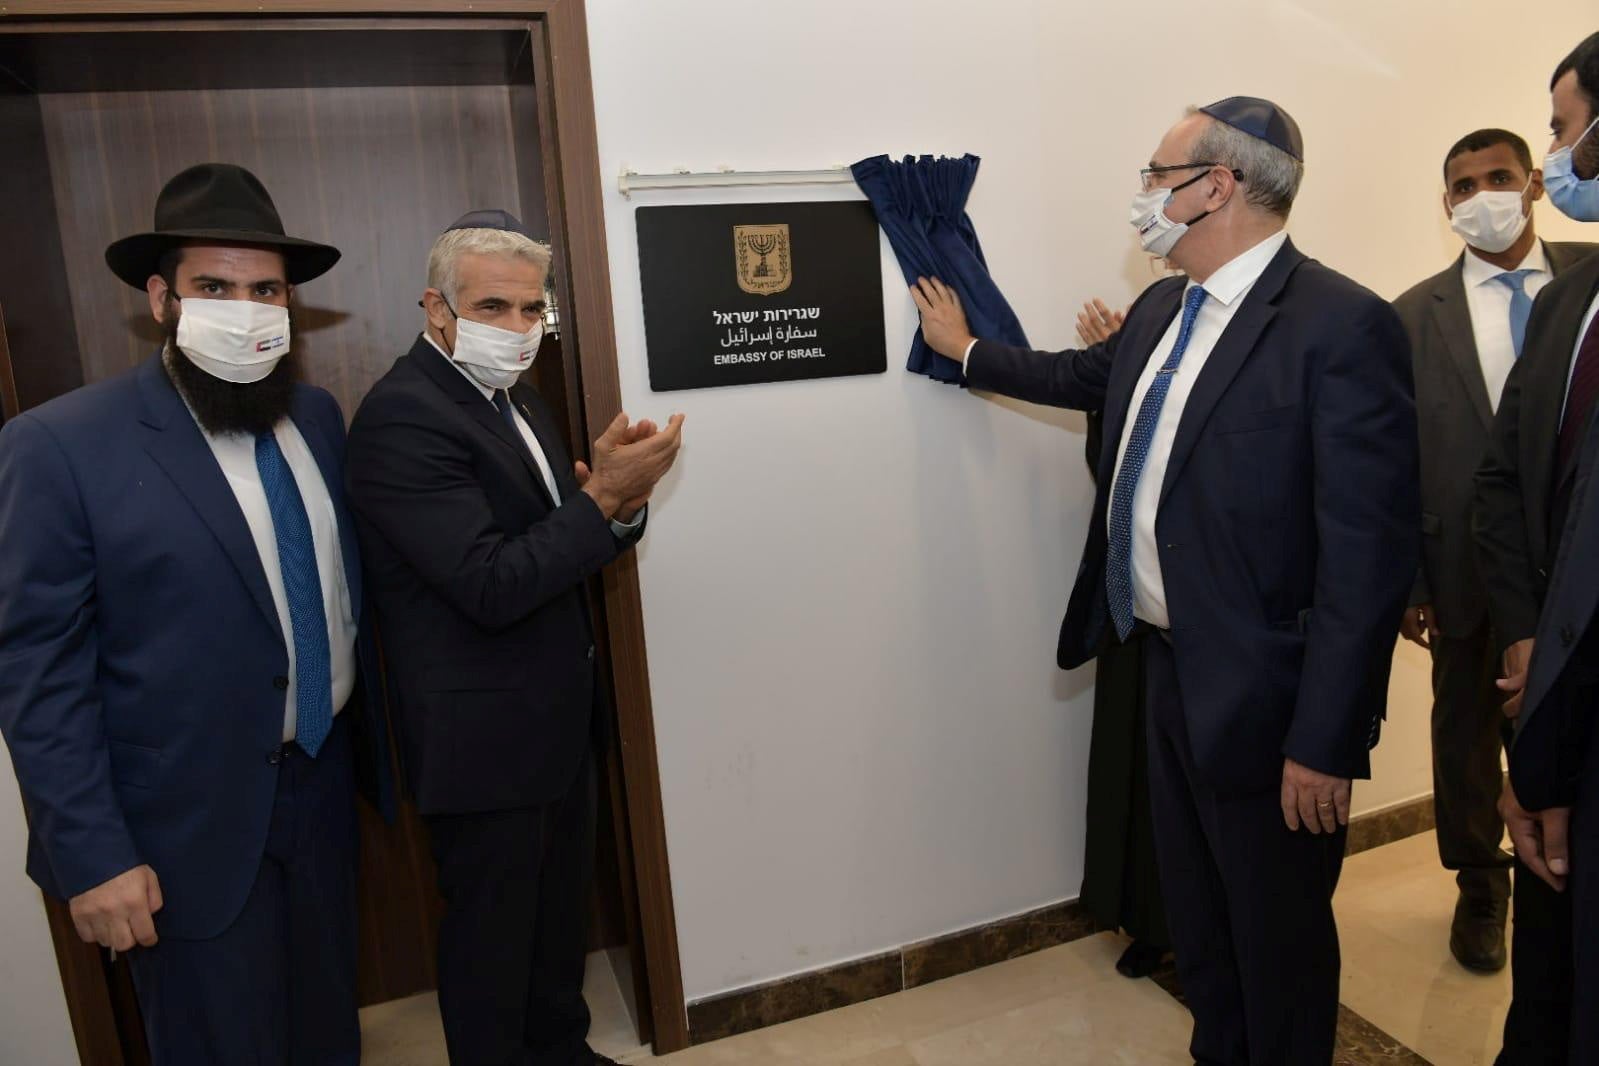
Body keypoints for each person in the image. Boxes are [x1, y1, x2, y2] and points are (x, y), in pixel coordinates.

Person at [912, 97, 1418, 1063]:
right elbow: (1078, 378)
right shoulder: (1160, 306)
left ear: (1213, 187)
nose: (1141, 196)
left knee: (1277, 941)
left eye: (1155, 175)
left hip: (1272, 703)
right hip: (1161, 666)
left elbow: (1367, 556)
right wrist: (966, 352)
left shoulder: (1338, 325)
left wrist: (1326, 739)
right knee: (1202, 920)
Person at [0, 162, 394, 1065]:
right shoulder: (60, 446)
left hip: (322, 786)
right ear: (160, 298)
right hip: (180, 826)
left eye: (265, 290)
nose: (244, 309)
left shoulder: (317, 416)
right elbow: (35, 675)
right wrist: (92, 854)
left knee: (328, 1028)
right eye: (213, 286)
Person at [345, 210, 682, 1066]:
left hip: (553, 721)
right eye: (493, 307)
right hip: (481, 738)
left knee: (551, 931)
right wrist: (602, 499)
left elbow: (557, 543)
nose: (519, 329)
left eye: (533, 311)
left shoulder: (514, 398)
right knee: (493, 948)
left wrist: (617, 504)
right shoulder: (403, 417)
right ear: (436, 308)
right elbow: (491, 584)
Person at [1392, 127, 1596, 975]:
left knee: (1572, 724)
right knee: (1466, 735)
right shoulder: (1409, 315)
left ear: (1534, 186)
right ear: (1445, 204)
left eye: (1500, 176)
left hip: (1577, 564)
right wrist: (1408, 579)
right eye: (1462, 185)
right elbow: (1391, 459)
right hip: (1461, 572)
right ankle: (1481, 887)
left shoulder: (1587, 280)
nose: (1482, 195)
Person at [1478, 30, 1599, 1065]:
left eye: (1563, 131)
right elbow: (1502, 482)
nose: (1557, 157)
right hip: (1551, 695)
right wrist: (1523, 640)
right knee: (1549, 986)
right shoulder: (1568, 302)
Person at [1075, 301, 1170, 980]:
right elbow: (1112, 467)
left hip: (1207, 615)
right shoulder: (1158, 314)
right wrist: (1119, 380)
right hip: (1133, 602)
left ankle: (1206, 941)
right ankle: (1153, 920)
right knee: (1137, 776)